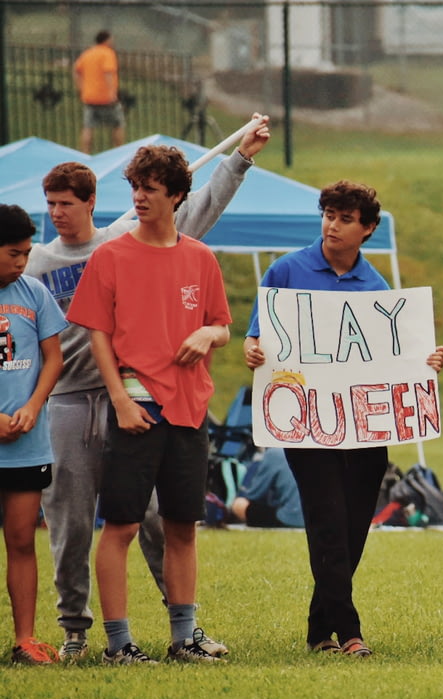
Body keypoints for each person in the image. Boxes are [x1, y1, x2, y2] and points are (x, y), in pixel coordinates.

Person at [27, 115, 271, 662]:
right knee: (75, 518)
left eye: (67, 202)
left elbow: (199, 211)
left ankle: (183, 629)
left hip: (159, 401)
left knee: (165, 519)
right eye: (51, 204)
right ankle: (79, 629)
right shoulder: (36, 264)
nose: (57, 214)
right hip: (79, 399)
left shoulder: (124, 242)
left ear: (91, 203)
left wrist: (241, 159)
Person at [244, 180, 443, 658]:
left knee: (354, 527)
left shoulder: (376, 287)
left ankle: (320, 629)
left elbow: (391, 355)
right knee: (328, 521)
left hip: (366, 429)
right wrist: (253, 350)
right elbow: (257, 337)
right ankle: (350, 629)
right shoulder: (285, 271)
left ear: (368, 228)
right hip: (308, 427)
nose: (332, 225)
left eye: (344, 218)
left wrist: (424, 363)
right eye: (328, 214)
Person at [67, 145, 233, 664]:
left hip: (190, 410)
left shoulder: (200, 257)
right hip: (136, 408)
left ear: (177, 196)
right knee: (121, 526)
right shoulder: (110, 255)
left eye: (150, 189)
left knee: (183, 527)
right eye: (135, 187)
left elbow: (224, 326)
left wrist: (208, 333)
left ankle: (184, 638)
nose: (138, 198)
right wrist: (118, 398)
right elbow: (97, 333)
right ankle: (119, 644)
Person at [0, 205, 68, 665]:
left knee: (22, 540)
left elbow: (54, 358)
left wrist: (32, 406)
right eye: (13, 254)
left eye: (26, 254)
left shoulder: (35, 294)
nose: (22, 263)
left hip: (26, 446)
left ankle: (25, 639)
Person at [74, 30, 125, 154]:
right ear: (107, 40)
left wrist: (81, 88)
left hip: (89, 97)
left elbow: (76, 70)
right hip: (106, 98)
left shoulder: (88, 53)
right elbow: (108, 72)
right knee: (118, 124)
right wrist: (112, 93)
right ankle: (119, 151)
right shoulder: (108, 53)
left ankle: (85, 153)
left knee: (88, 126)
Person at [229, 448, 304, 529]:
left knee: (239, 503)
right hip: (314, 518)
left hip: (290, 518)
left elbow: (253, 495)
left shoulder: (274, 453)